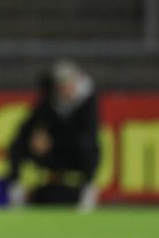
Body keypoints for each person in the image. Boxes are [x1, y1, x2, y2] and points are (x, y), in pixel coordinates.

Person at [6, 61, 100, 211]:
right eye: (59, 85)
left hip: (74, 151)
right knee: (17, 144)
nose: (62, 89)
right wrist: (36, 136)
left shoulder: (87, 100)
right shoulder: (50, 98)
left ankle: (88, 189)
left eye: (66, 84)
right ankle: (16, 191)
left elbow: (89, 133)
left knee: (86, 145)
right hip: (52, 151)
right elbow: (28, 125)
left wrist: (53, 140)